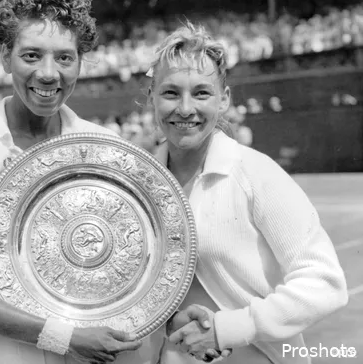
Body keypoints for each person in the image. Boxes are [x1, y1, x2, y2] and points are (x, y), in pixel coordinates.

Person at [0, 0, 188, 364]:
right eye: (31, 55)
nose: (49, 74)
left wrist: (172, 319)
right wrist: (64, 337)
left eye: (64, 58)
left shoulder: (104, 147)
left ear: (80, 62)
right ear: (5, 56)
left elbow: (139, 272)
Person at [145, 22, 348, 363]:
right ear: (151, 97)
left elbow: (324, 281)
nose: (184, 108)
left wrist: (229, 327)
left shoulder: (256, 172)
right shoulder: (138, 182)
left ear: (224, 99)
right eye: (170, 93)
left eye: (201, 92)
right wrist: (168, 323)